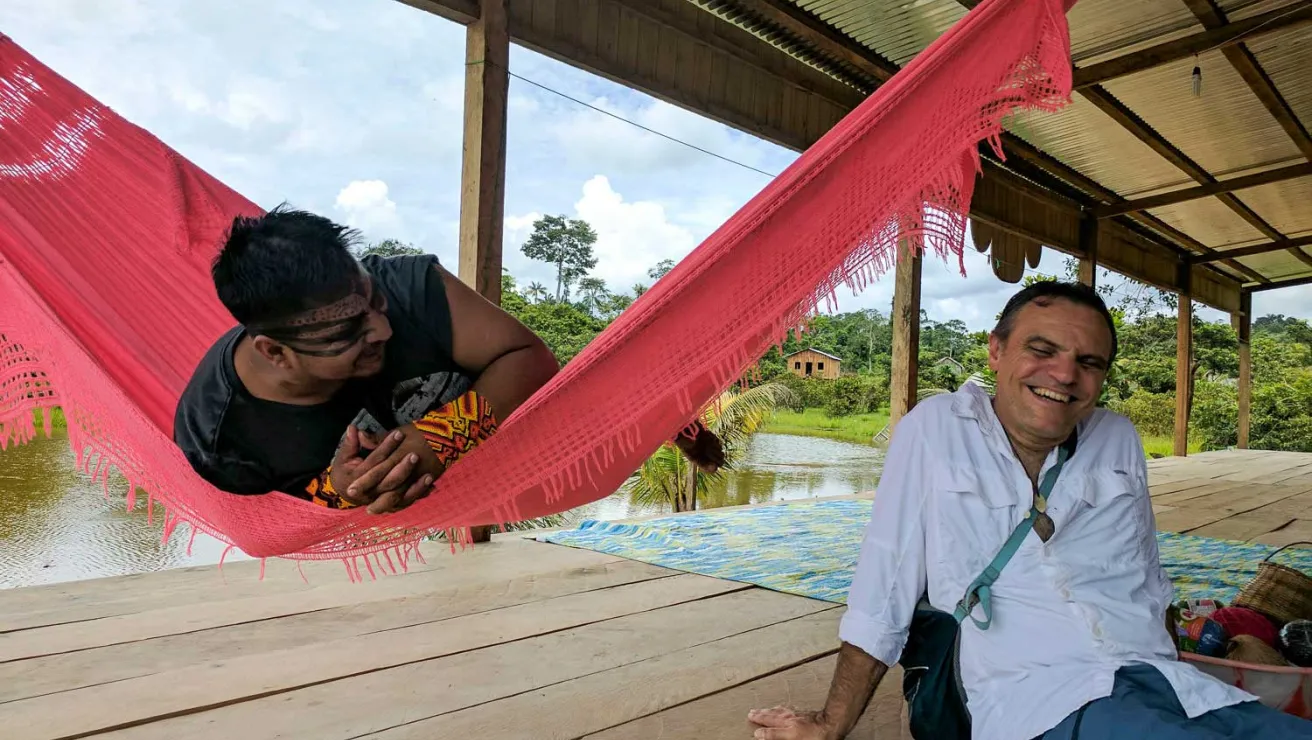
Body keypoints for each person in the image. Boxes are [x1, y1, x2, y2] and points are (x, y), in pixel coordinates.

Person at [747, 281, 1312, 740]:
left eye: (1088, 362)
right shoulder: (937, 429)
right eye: (1042, 351)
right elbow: (883, 588)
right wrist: (830, 724)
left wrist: (1178, 664)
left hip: (1159, 678)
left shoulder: (1117, 437)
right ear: (996, 350)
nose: (1065, 375)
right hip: (1042, 697)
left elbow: (1146, 574)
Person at [174, 205, 723, 515]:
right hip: (437, 482)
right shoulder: (222, 441)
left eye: (375, 302)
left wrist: (440, 437)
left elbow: (531, 360)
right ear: (274, 351)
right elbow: (276, 524)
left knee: (583, 393)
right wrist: (337, 491)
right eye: (350, 328)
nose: (383, 329)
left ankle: (656, 414)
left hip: (507, 424)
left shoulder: (410, 285)